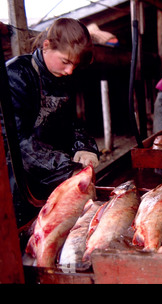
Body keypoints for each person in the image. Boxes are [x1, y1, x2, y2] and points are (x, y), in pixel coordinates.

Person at [4, 18, 100, 225]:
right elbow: (17, 143)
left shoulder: (65, 78)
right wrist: (69, 167)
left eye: (75, 65)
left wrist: (85, 147)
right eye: (65, 62)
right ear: (46, 45)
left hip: (51, 174)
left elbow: (73, 123)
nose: (70, 71)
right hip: (17, 179)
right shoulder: (15, 75)